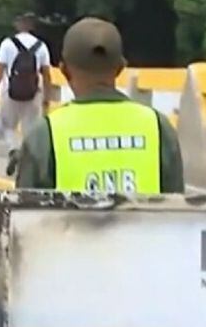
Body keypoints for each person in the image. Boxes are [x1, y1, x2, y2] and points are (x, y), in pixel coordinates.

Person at [15, 17, 184, 194]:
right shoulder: (159, 128)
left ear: (64, 70)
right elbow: (178, 205)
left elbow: (25, 207)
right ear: (120, 68)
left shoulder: (44, 134)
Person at [0, 13, 52, 174]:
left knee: (8, 126)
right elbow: (47, 74)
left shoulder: (7, 44)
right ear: (32, 26)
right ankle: (26, 161)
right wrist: (47, 97)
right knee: (30, 129)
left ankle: (13, 150)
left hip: (10, 92)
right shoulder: (41, 46)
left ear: (18, 25)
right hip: (33, 93)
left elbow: (0, 69)